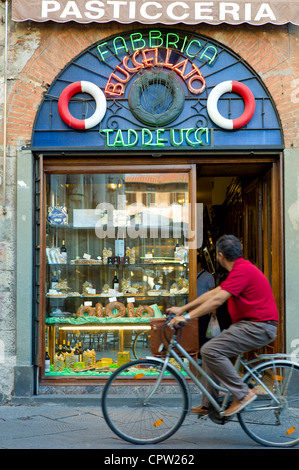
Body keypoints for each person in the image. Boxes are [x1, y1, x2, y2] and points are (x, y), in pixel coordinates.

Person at [167, 234, 278, 417]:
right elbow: (212, 294)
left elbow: (217, 300)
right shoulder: (240, 269)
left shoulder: (242, 270)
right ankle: (208, 404)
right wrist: (182, 308)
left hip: (258, 326)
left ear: (219, 256)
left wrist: (187, 317)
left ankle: (242, 394)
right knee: (211, 351)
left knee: (211, 350)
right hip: (250, 325)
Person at [196, 254, 215, 350]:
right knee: (194, 332)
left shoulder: (208, 276)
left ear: (199, 264)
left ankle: (201, 354)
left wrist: (213, 309)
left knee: (202, 332)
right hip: (192, 308)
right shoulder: (189, 275)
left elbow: (213, 292)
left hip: (204, 308)